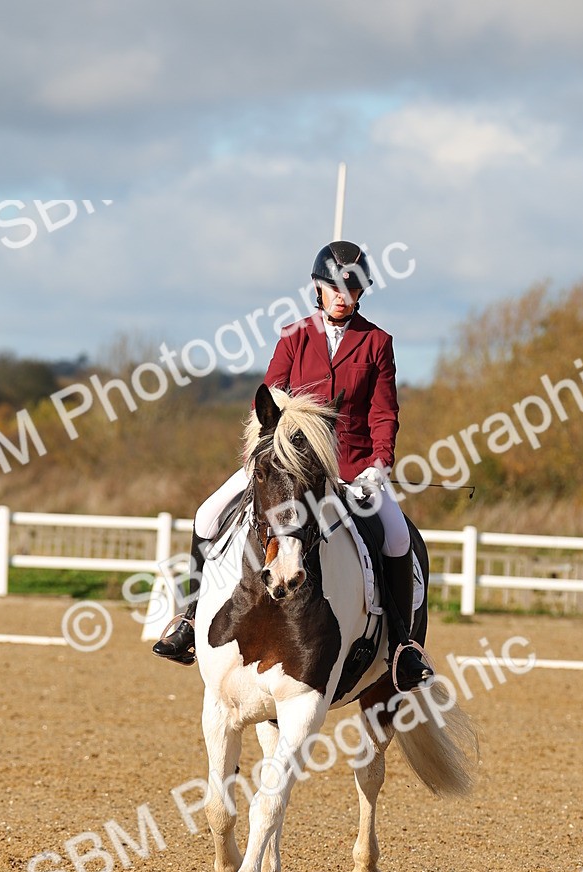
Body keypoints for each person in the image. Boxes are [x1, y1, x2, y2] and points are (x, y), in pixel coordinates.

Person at [153, 240, 433, 692]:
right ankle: (188, 619)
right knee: (206, 515)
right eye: (335, 287)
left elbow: (384, 412)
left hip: (352, 468)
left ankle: (403, 646)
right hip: (286, 463)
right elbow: (267, 398)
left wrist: (379, 465)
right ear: (318, 288)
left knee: (399, 538)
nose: (343, 296)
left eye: (352, 289)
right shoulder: (294, 336)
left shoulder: (377, 343)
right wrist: (266, 451)